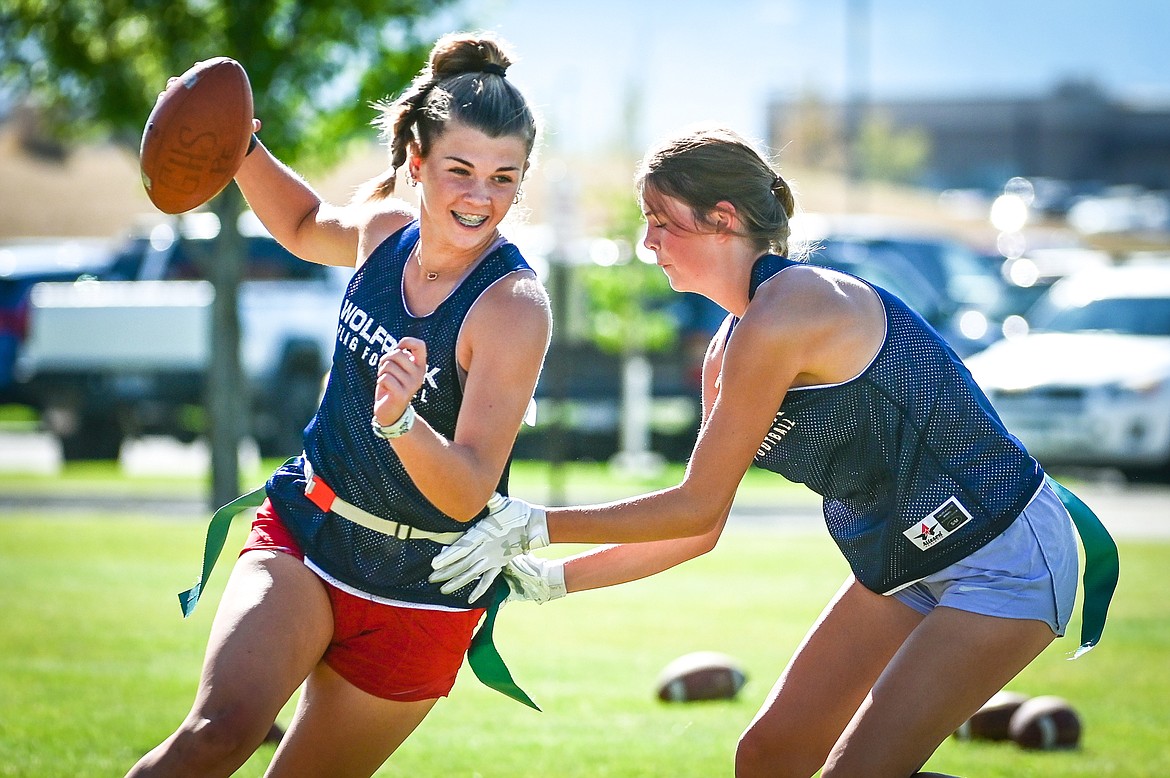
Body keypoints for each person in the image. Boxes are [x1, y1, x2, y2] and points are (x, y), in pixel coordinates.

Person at [429, 125, 1118, 778]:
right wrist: (552, 579)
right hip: (910, 558)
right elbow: (698, 529)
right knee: (769, 757)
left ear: (723, 219)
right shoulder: (728, 345)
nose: (647, 243)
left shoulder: (789, 307)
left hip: (1002, 549)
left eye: (661, 221)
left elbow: (691, 502)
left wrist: (537, 524)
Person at [127, 31, 551, 778]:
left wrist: (401, 423)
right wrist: (237, 148)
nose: (480, 197)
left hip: (421, 588)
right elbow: (298, 225)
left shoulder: (513, 308)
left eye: (503, 177)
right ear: (416, 162)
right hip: (309, 529)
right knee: (216, 735)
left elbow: (466, 491)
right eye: (459, 170)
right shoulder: (385, 231)